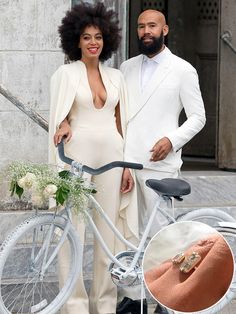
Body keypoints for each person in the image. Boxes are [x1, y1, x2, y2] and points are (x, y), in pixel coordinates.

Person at [48, 2, 139, 314]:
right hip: (77, 156)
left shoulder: (115, 77)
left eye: (98, 36)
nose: (92, 42)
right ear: (76, 40)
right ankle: (73, 304)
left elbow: (121, 122)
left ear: (106, 39)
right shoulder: (66, 73)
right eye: (86, 37)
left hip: (113, 156)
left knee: (108, 232)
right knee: (73, 228)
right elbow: (59, 115)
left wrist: (127, 165)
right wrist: (63, 122)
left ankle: (104, 303)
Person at [118, 9, 206, 314]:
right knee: (129, 234)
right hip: (127, 165)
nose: (146, 31)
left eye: (152, 25)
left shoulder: (183, 70)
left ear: (165, 29)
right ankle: (134, 298)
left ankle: (167, 301)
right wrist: (122, 162)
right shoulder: (126, 68)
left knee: (161, 238)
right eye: (141, 26)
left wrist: (172, 140)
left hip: (161, 166)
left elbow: (198, 117)